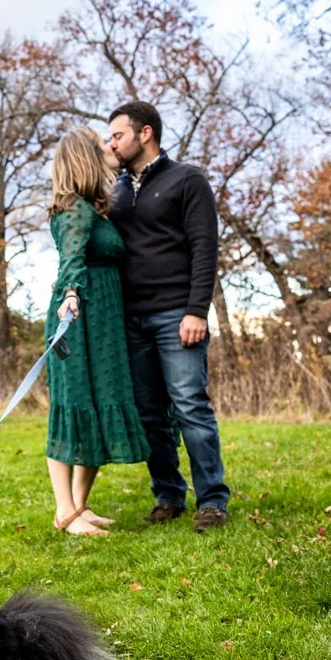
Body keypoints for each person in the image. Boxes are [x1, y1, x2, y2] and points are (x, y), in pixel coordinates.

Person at [106, 101, 231, 530]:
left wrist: (197, 309)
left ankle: (212, 500)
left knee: (190, 405)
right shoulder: (117, 190)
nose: (112, 143)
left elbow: (205, 247)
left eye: (117, 135)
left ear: (145, 133)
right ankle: (168, 495)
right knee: (149, 413)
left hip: (177, 314)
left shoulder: (187, 179)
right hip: (130, 320)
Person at [43, 128, 150, 536]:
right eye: (103, 142)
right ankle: (65, 511)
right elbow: (71, 258)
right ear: (86, 156)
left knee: (98, 405)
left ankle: (80, 505)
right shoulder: (75, 210)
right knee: (71, 409)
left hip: (103, 321)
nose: (112, 146)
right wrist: (71, 294)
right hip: (80, 319)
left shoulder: (91, 206)